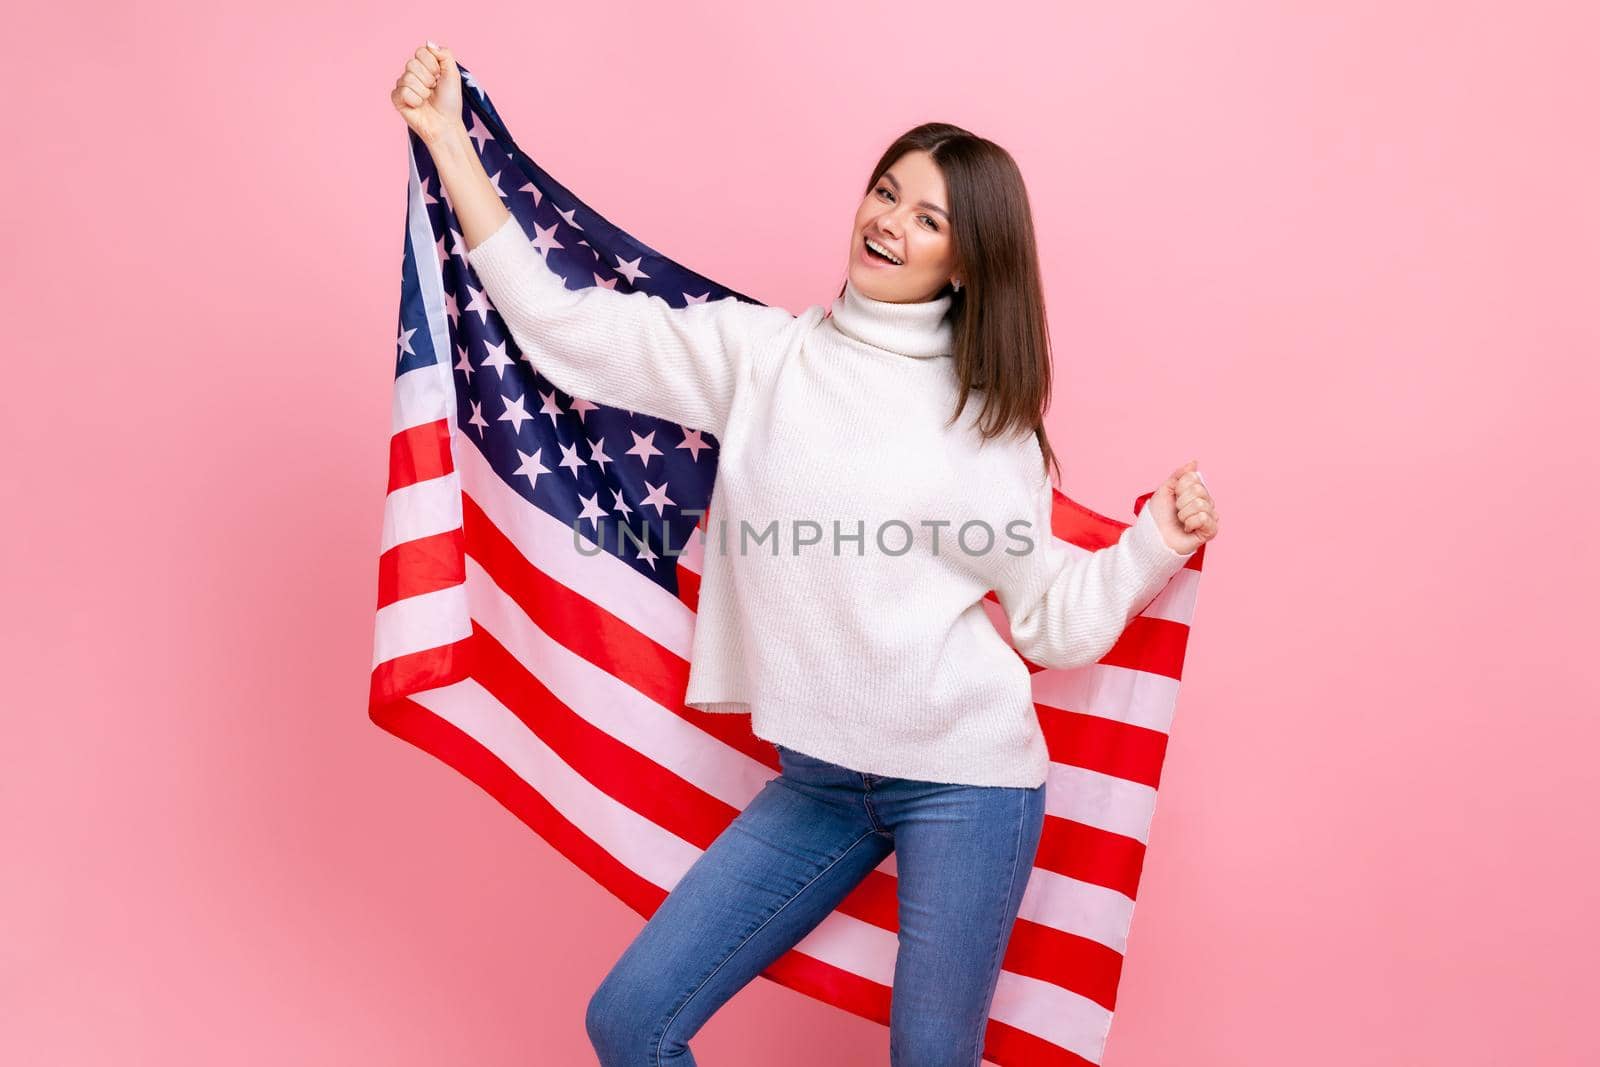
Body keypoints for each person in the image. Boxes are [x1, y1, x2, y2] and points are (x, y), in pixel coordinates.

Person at [391, 40, 1220, 1067]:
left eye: (929, 219)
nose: (890, 222)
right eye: (887, 191)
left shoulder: (986, 425)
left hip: (966, 782)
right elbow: (565, 330)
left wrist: (1155, 543)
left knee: (931, 1056)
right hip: (822, 779)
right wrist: (447, 145)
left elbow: (1055, 618)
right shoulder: (762, 357)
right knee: (632, 1018)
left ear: (965, 262)